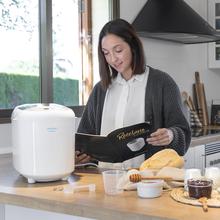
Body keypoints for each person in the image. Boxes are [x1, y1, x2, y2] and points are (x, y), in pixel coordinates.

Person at [75, 18, 191, 169]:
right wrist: (80, 154)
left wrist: (171, 135)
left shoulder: (162, 83)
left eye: (118, 50)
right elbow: (84, 137)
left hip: (147, 182)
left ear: (133, 46)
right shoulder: (100, 90)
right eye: (106, 53)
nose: (113, 59)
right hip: (104, 181)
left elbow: (183, 133)